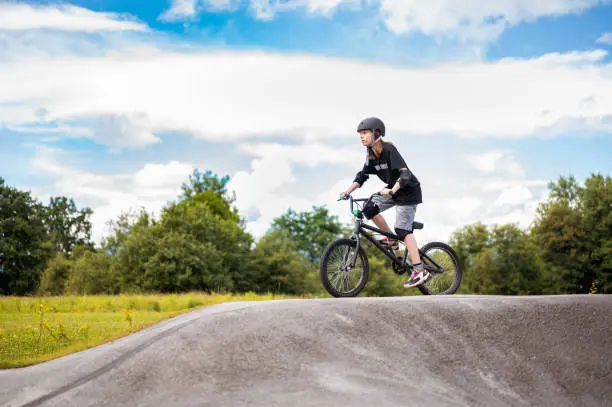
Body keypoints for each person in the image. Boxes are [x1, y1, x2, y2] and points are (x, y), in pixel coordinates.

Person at [339, 117, 429, 288]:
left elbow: (405, 174)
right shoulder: (371, 154)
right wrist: (347, 191)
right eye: (360, 134)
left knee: (402, 229)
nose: (361, 137)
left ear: (377, 133)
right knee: (369, 208)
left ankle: (419, 270)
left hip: (408, 191)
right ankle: (391, 240)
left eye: (365, 133)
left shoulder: (388, 149)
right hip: (392, 191)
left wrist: (392, 190)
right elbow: (362, 175)